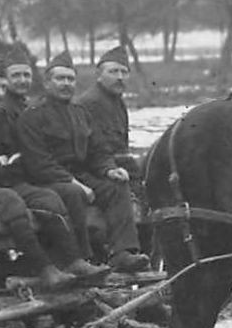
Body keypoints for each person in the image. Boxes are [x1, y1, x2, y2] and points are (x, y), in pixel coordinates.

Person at [0, 55, 102, 289]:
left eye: (3, 87)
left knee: (49, 198)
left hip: (4, 182)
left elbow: (17, 157)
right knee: (11, 201)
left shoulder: (4, 116)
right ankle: (45, 268)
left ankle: (73, 260)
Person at [23, 50, 151, 272]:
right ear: (46, 82)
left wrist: (110, 169)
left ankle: (123, 252)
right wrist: (75, 183)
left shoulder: (79, 112)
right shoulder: (32, 115)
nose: (66, 84)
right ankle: (80, 258)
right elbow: (39, 163)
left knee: (116, 186)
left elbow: (97, 151)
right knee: (73, 193)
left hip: (79, 176)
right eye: (60, 79)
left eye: (70, 79)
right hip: (48, 180)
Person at [75, 45, 139, 178]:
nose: (120, 77)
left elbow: (121, 145)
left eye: (124, 72)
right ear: (99, 76)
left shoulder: (117, 102)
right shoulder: (91, 102)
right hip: (93, 169)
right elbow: (96, 149)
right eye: (113, 72)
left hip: (112, 164)